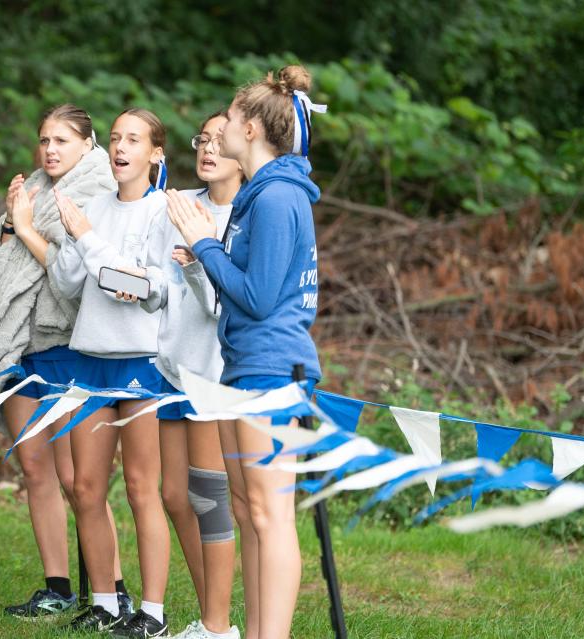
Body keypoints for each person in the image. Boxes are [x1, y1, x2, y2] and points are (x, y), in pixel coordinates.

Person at [168, 65, 324, 639]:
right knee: (246, 510)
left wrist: (203, 242)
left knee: (270, 514)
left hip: (272, 367)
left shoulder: (279, 196)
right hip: (242, 365)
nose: (220, 129)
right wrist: (207, 247)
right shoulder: (258, 196)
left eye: (230, 118)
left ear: (253, 129)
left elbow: (258, 297)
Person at [0, 104, 130, 620]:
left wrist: (27, 226)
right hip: (19, 342)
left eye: (61, 140)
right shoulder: (31, 189)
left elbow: (72, 273)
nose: (50, 149)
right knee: (35, 468)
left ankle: (112, 589)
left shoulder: (102, 192)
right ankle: (57, 587)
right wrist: (15, 224)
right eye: (44, 140)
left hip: (69, 344)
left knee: (83, 480)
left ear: (88, 143)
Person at [49, 108, 172, 637]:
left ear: (155, 154)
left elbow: (153, 289)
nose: (122, 148)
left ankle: (153, 614)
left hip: (141, 363)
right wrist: (75, 239)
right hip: (90, 359)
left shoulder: (165, 210)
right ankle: (105, 602)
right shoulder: (92, 205)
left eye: (135, 139)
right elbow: (70, 284)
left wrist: (117, 268)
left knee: (143, 489)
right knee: (86, 487)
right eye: (116, 138)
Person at [135, 111, 242, 639]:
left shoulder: (245, 218)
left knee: (207, 499)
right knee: (174, 496)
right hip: (169, 367)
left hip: (213, 373)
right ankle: (211, 617)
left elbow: (225, 306)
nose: (207, 149)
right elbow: (161, 285)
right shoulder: (176, 207)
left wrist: (199, 262)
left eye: (220, 141)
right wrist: (138, 286)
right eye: (203, 139)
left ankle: (217, 627)